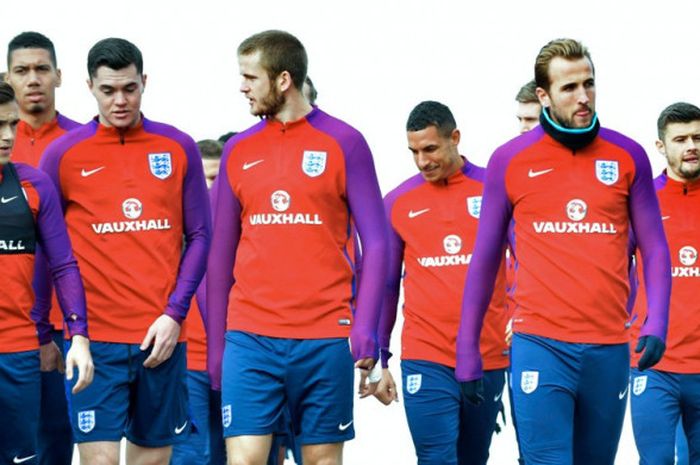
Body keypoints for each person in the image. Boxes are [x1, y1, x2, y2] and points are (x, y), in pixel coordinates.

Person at [456, 38, 671, 465]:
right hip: (540, 344)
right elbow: (484, 260)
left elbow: (656, 249)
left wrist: (657, 320)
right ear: (544, 95)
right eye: (569, 87)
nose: (584, 96)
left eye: (589, 83)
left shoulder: (628, 156)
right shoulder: (510, 160)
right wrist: (467, 346)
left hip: (609, 346)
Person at [206, 30, 387, 465]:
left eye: (251, 77)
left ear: (283, 79)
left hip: (323, 333)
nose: (242, 86)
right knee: (245, 458)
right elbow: (219, 257)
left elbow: (378, 243)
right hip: (251, 336)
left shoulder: (345, 142)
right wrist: (217, 345)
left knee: (321, 459)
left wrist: (366, 331)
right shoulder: (238, 150)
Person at [38, 37, 211, 465]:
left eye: (129, 89)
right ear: (89, 87)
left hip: (162, 338)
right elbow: (48, 250)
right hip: (94, 340)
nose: (120, 100)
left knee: (152, 461)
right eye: (108, 90)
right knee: (99, 461)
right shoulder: (62, 154)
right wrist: (46, 330)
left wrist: (175, 314)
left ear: (144, 83)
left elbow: (201, 236)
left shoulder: (177, 147)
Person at [375, 100, 509, 465]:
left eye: (430, 149)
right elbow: (387, 286)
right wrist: (380, 356)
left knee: (473, 457)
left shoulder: (495, 189)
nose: (422, 161)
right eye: (414, 152)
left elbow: (528, 262)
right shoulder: (398, 202)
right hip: (425, 354)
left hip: (488, 352)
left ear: (455, 138)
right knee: (435, 457)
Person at [0, 81, 93, 465]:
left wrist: (79, 335)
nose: (7, 137)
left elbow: (63, 264)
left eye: (12, 125)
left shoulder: (33, 184)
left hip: (16, 351)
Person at [628, 102, 700, 465]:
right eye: (681, 139)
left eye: (698, 137)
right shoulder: (643, 201)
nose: (692, 146)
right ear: (661, 146)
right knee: (655, 460)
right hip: (654, 363)